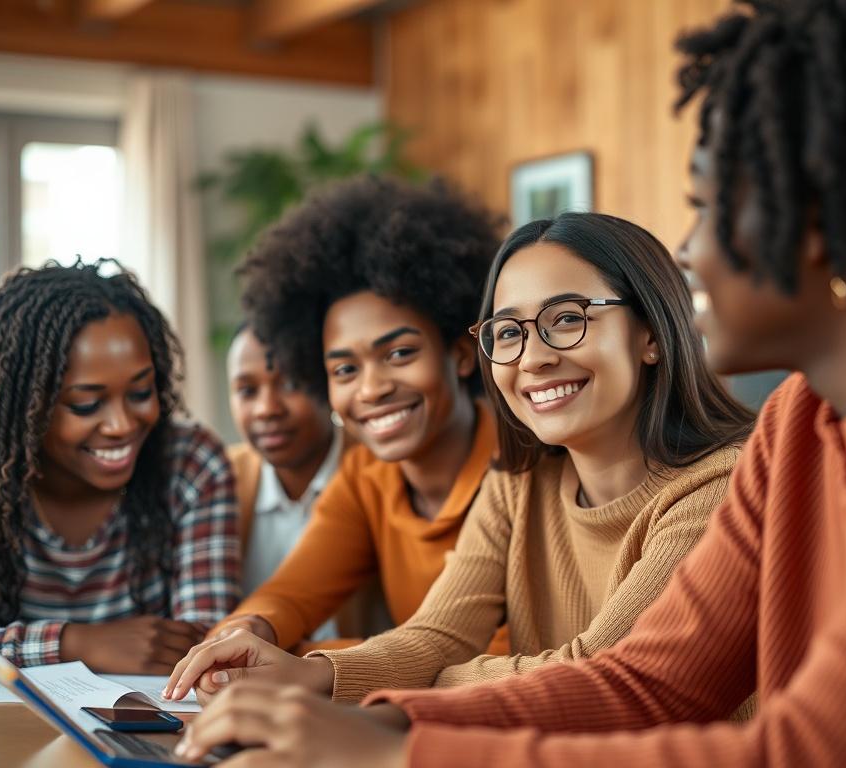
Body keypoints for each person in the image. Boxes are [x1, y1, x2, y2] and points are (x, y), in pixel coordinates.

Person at [172, 0, 846, 765]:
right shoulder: (794, 422)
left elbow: (811, 750)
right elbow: (648, 681)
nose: (687, 251)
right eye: (509, 331)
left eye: (706, 208)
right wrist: (381, 719)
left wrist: (395, 742)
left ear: (813, 220)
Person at [165, 212, 755, 705]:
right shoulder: (521, 481)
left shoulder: (721, 489)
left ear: (651, 333)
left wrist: (420, 684)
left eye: (567, 319)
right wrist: (311, 672)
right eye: (508, 331)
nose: (534, 358)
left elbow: (599, 674)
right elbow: (441, 634)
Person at [179, 176, 508, 665]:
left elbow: (492, 662)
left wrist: (305, 659)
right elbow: (291, 594)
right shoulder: (367, 479)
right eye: (345, 369)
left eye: (399, 353)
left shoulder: (519, 470)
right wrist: (245, 631)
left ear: (461, 353)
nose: (371, 389)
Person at [0, 259, 239, 680]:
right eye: (86, 404)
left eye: (140, 391)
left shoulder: (191, 465)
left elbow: (210, 648)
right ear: (25, 408)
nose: (121, 425)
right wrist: (74, 644)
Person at [226, 324, 344, 643]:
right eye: (247, 391)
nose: (267, 409)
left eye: (291, 383)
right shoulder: (220, 481)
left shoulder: (378, 472)